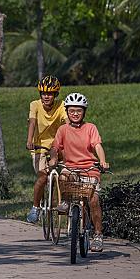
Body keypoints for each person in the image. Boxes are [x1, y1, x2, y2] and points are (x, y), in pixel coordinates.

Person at [48, 92, 110, 252]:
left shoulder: (90, 128)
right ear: (67, 111)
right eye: (72, 110)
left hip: (90, 168)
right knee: (63, 175)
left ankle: (97, 235)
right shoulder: (63, 129)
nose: (75, 114)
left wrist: (102, 160)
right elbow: (55, 147)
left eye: (79, 111)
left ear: (84, 112)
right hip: (70, 167)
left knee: (94, 201)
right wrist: (54, 159)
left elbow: (97, 145)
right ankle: (66, 202)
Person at [26, 75, 67, 223]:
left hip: (57, 146)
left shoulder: (61, 105)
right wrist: (29, 140)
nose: (46, 97)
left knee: (67, 174)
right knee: (42, 177)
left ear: (55, 94)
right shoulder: (35, 105)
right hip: (39, 147)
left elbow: (67, 122)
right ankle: (35, 207)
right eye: (43, 93)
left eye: (49, 93)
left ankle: (63, 201)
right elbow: (32, 122)